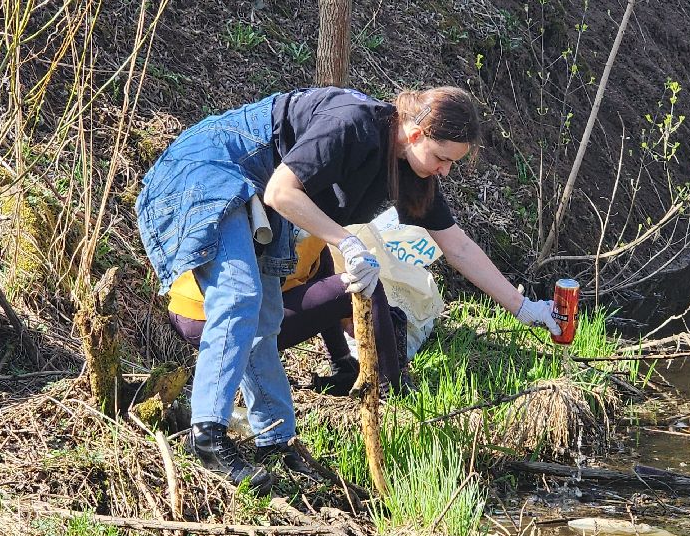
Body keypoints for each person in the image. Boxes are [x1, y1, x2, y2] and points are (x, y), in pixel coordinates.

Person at [136, 86, 563, 490]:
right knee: (239, 295)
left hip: (251, 192)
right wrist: (348, 241)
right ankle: (206, 435)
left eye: (452, 163)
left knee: (263, 317)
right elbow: (282, 191)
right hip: (205, 172)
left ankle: (276, 441)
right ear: (415, 133)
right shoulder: (352, 121)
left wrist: (525, 308)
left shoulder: (408, 168)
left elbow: (459, 247)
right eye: (441, 158)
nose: (445, 170)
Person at [164, 232, 407, 395]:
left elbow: (320, 274)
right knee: (365, 285)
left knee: (335, 278)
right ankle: (388, 394)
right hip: (209, 317)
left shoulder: (310, 220)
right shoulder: (298, 214)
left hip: (192, 306)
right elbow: (341, 293)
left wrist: (342, 358)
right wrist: (369, 319)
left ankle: (344, 366)